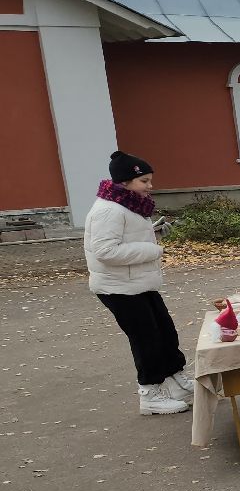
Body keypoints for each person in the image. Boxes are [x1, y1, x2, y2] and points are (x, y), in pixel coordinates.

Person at [85, 151, 189, 415]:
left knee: (165, 332)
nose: (150, 186)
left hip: (137, 282)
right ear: (125, 181)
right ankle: (150, 394)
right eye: (144, 180)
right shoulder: (108, 210)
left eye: (150, 179)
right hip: (117, 287)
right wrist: (152, 250)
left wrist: (152, 232)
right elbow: (105, 252)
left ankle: (177, 383)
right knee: (146, 340)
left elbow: (125, 237)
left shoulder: (127, 204)